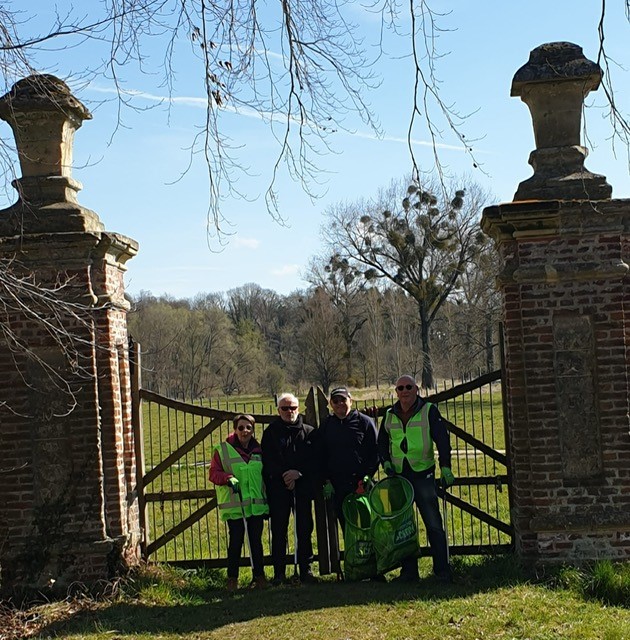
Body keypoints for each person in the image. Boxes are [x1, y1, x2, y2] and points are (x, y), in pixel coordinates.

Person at [377, 374, 455, 582]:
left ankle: (442, 570)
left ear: (416, 389)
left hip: (423, 473)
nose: (405, 391)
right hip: (399, 475)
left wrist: (445, 467)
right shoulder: (389, 415)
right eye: (400, 388)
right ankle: (409, 572)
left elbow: (442, 440)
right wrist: (385, 462)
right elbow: (382, 442)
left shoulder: (429, 410)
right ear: (396, 392)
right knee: (403, 526)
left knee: (433, 523)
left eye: (408, 387)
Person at [209, 413, 269, 592]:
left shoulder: (259, 451)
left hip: (255, 506)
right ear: (235, 429)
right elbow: (213, 473)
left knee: (256, 542)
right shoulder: (223, 450)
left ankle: (259, 577)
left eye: (248, 428)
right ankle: (232, 579)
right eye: (241, 427)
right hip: (236, 506)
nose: (245, 431)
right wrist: (227, 478)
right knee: (236, 542)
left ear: (253, 430)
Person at [261, 392, 317, 584]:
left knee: (304, 529)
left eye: (293, 408)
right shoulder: (270, 433)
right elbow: (267, 460)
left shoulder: (309, 432)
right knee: (279, 531)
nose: (289, 411)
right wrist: (284, 475)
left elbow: (315, 460)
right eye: (285, 408)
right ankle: (279, 573)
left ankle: (306, 570)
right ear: (278, 410)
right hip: (279, 489)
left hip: (302, 488)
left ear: (298, 409)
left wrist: (298, 473)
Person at [318, 386, 379, 531]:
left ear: (350, 401)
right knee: (347, 527)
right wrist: (326, 480)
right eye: (335, 401)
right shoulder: (326, 425)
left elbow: (376, 450)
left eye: (343, 400)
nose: (340, 403)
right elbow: (320, 454)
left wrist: (369, 475)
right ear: (331, 404)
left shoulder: (364, 422)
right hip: (338, 485)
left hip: (361, 484)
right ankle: (351, 547)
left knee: (368, 525)